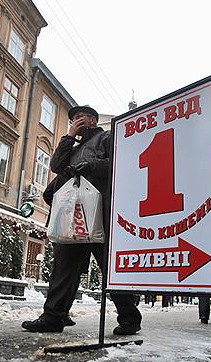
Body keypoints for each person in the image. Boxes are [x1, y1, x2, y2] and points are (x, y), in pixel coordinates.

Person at [22, 105, 142, 335]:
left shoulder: (106, 137)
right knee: (63, 268)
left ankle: (130, 318)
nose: (77, 120)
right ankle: (53, 317)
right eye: (73, 118)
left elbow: (121, 164)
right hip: (71, 217)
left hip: (99, 214)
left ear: (93, 120)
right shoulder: (72, 147)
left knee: (109, 268)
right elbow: (56, 165)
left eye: (81, 117)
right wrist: (68, 137)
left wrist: (93, 166)